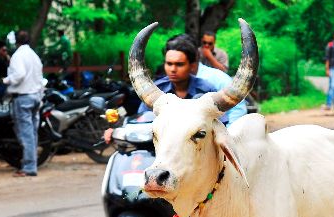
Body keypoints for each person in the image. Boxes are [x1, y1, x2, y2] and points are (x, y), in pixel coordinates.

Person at [105, 34, 246, 144]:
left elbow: (221, 128)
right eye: (169, 63)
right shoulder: (156, 91)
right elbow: (142, 121)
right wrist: (118, 131)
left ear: (192, 66)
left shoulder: (207, 91)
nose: (172, 69)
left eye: (179, 64)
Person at [2, 30, 43, 177]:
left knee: (26, 134)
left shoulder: (18, 55)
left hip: (23, 97)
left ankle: (29, 167)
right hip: (36, 96)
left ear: (16, 41)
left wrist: (5, 81)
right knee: (31, 133)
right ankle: (31, 163)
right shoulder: (34, 55)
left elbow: (19, 74)